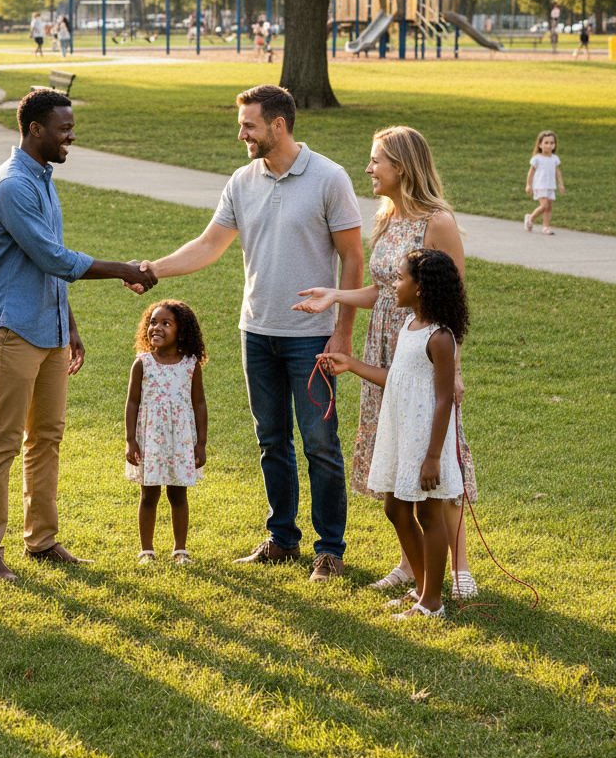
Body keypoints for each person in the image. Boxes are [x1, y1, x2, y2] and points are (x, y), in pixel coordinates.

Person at [136, 85, 364, 580]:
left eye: (249, 126)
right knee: (271, 438)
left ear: (278, 126)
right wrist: (154, 269)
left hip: (312, 336)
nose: (241, 133)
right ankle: (283, 539)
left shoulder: (329, 177)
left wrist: (342, 332)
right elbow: (209, 245)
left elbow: (353, 258)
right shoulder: (242, 181)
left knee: (319, 441)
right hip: (256, 331)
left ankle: (330, 549)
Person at [0, 88, 158, 581]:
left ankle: (42, 540)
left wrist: (68, 324)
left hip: (49, 328)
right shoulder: (12, 184)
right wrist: (122, 268)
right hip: (12, 328)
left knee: (47, 437)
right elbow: (54, 257)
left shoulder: (42, 178)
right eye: (64, 129)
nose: (70, 136)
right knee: (4, 441)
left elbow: (47, 261)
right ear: (35, 130)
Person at [294, 125, 479, 599]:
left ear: (402, 166)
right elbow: (382, 289)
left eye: (376, 160)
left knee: (434, 459)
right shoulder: (388, 216)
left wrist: (452, 368)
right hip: (386, 349)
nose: (369, 168)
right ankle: (409, 563)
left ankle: (458, 570)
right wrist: (335, 294)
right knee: (399, 453)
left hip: (424, 350)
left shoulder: (436, 221)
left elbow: (453, 297)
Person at [319, 248, 470, 619]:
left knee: (429, 516)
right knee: (395, 507)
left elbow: (444, 398)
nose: (394, 284)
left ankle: (432, 603)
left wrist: (434, 455)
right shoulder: (409, 326)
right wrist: (352, 365)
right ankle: (422, 589)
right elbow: (398, 378)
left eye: (400, 278)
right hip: (401, 432)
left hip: (426, 440)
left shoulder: (440, 338)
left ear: (420, 288)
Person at [125, 300, 208, 565]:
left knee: (177, 494)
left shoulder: (190, 365)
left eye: (165, 323)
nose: (156, 327)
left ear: (181, 332)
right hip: (150, 439)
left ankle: (180, 550)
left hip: (180, 440)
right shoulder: (142, 364)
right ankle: (146, 550)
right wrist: (131, 440)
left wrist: (201, 444)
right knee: (149, 494)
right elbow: (132, 403)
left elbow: (199, 403)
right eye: (152, 322)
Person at [524, 130, 565, 236]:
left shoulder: (554, 158)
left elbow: (557, 172)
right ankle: (530, 218)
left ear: (555, 145)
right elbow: (531, 172)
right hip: (540, 185)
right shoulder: (537, 158)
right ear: (540, 144)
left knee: (549, 207)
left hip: (550, 186)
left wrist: (561, 184)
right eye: (546, 143)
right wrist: (528, 185)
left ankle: (546, 227)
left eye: (552, 143)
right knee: (544, 205)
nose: (549, 145)